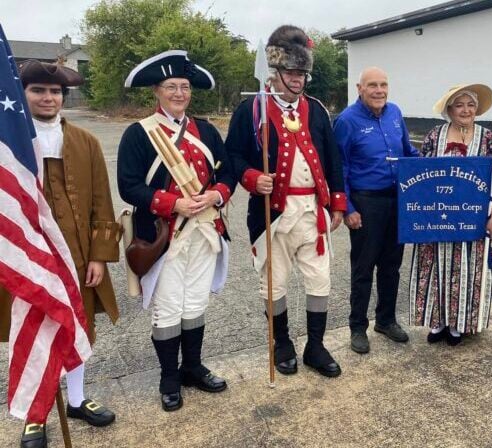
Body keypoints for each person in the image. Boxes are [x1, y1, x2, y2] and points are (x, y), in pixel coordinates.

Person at [1, 61, 119, 448]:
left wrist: (100, 256)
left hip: (78, 259)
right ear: (23, 95)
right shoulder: (9, 144)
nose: (48, 98)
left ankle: (77, 399)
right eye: (38, 91)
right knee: (32, 333)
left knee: (79, 329)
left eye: (55, 92)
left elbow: (102, 203)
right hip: (29, 261)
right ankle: (35, 417)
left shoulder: (86, 141)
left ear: (63, 98)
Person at [117, 50, 235, 411]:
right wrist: (174, 204)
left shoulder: (207, 130)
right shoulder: (139, 133)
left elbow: (227, 173)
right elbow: (128, 186)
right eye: (172, 86)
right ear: (157, 90)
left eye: (184, 86)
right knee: (167, 307)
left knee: (195, 302)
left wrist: (216, 193)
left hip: (204, 230)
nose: (180, 93)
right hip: (164, 234)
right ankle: (169, 377)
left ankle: (193, 367)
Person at [226, 26, 346, 378]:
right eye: (291, 73)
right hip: (272, 213)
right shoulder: (251, 109)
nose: (297, 80)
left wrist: (337, 202)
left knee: (319, 279)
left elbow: (332, 158)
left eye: (302, 73)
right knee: (273, 282)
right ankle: (282, 343)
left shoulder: (317, 110)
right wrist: (251, 177)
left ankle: (316, 346)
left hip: (312, 210)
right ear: (274, 72)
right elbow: (232, 155)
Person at [333, 67, 419, 354]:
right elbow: (339, 168)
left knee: (392, 266)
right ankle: (358, 326)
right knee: (363, 267)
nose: (379, 90)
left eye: (383, 84)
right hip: (366, 203)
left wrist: (434, 166)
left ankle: (385, 320)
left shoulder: (395, 113)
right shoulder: (347, 121)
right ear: (360, 88)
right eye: (372, 85)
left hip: (397, 200)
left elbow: (408, 152)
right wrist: (347, 208)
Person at [409, 84, 492, 346]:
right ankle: (439, 322)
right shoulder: (434, 136)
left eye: (470, 105)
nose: (466, 110)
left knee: (467, 268)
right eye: (459, 105)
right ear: (449, 109)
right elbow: (419, 177)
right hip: (438, 216)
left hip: (472, 216)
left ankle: (460, 323)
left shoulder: (486, 138)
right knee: (437, 265)